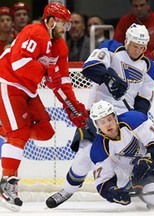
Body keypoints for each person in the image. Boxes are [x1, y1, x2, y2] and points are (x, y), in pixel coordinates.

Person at [45, 23, 154, 208]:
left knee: (125, 157)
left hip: (123, 117)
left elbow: (144, 102)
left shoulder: (149, 68)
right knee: (85, 154)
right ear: (127, 40)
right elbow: (90, 67)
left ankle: (126, 187)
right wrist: (110, 77)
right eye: (134, 45)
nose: (137, 50)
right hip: (98, 112)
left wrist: (135, 120)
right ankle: (66, 190)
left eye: (141, 47)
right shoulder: (112, 47)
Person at [0, 2, 88, 212]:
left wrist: (73, 108)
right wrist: (46, 71)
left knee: (45, 131)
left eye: (67, 26)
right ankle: (6, 185)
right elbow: (18, 64)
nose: (64, 30)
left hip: (28, 90)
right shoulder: (34, 32)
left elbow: (62, 82)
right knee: (19, 133)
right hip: (8, 82)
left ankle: (7, 129)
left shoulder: (60, 47)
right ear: (49, 20)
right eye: (62, 24)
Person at [47, 100, 154, 209]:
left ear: (115, 117)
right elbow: (103, 183)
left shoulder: (134, 119)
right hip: (141, 174)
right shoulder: (98, 150)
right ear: (97, 126)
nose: (108, 125)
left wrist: (148, 159)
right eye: (102, 122)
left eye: (109, 119)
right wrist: (113, 193)